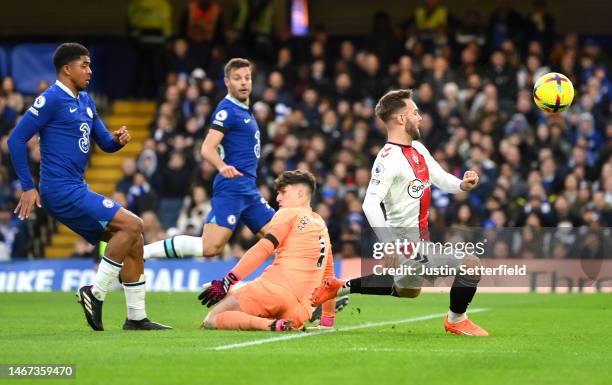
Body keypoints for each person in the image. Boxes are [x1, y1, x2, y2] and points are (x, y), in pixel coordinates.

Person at [143, 58, 349, 320]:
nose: (244, 82)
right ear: (227, 81)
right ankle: (146, 252)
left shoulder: (245, 111)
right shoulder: (226, 110)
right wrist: (221, 166)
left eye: (247, 77)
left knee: (285, 240)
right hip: (231, 188)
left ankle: (311, 300)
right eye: (238, 78)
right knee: (211, 247)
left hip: (248, 191)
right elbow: (207, 147)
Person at [7, 42, 170, 331]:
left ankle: (136, 317)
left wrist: (116, 140)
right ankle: (94, 293)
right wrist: (28, 186)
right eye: (85, 65)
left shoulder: (86, 101)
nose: (90, 71)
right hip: (60, 190)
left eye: (91, 64)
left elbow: (103, 142)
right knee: (133, 224)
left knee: (133, 239)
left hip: (76, 187)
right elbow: (16, 139)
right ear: (67, 69)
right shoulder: (51, 99)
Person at [310, 89, 489, 336]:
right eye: (415, 112)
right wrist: (390, 245)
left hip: (419, 241)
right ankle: (457, 319)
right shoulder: (387, 159)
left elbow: (441, 179)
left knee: (409, 290)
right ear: (401, 119)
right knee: (471, 264)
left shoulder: (418, 149)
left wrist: (462, 184)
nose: (420, 117)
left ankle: (340, 286)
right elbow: (369, 203)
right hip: (405, 245)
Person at [198, 170, 336, 331]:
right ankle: (280, 322)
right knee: (239, 303)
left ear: (300, 192)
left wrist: (228, 281)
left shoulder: (288, 213)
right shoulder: (320, 224)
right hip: (299, 311)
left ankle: (271, 325)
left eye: (283, 192)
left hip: (272, 291)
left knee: (211, 320)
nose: (278, 198)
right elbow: (329, 278)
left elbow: (264, 248)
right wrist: (327, 320)